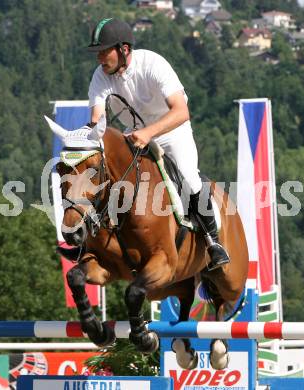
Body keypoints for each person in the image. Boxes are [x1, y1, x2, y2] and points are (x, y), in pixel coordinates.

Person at [86, 18, 229, 271]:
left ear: (124, 49)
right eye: (97, 52)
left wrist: (149, 132)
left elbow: (182, 111)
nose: (99, 57)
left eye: (103, 51)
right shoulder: (101, 76)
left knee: (188, 177)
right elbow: (97, 120)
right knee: (108, 177)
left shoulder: (153, 63)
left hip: (171, 129)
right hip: (134, 134)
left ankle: (213, 242)